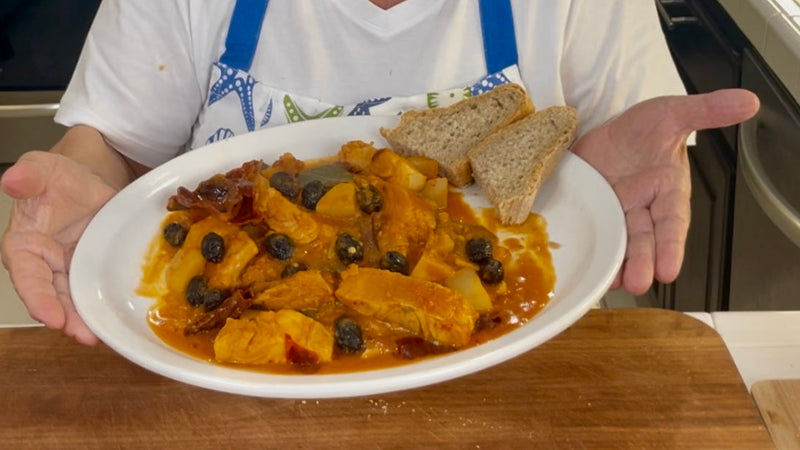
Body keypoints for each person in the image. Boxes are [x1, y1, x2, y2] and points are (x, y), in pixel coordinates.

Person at [0, 0, 759, 345]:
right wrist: (80, 168)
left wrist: (607, 179)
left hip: (516, 395)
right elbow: (117, 150)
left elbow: (611, 172)